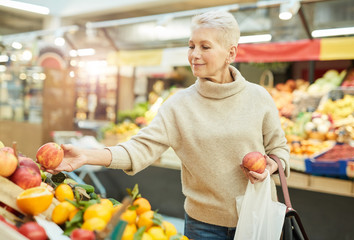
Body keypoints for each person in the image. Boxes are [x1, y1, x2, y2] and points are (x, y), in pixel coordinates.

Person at [48, 10, 290, 240]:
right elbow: (139, 148)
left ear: (231, 53)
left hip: (258, 216)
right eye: (191, 46)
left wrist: (271, 167)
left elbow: (279, 149)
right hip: (204, 225)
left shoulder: (258, 98)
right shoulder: (179, 105)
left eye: (205, 47)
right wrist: (86, 156)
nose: (194, 54)